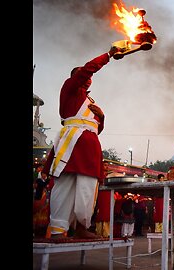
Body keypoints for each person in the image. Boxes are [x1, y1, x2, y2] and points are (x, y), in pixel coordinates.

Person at [42, 46, 120, 239]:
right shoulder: (70, 89)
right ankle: (59, 229)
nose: (88, 77)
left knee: (88, 187)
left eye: (88, 76)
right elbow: (87, 69)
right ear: (75, 77)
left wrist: (102, 117)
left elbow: (94, 128)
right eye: (84, 74)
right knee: (63, 186)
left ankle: (83, 226)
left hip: (90, 147)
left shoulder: (90, 100)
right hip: (70, 144)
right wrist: (108, 55)